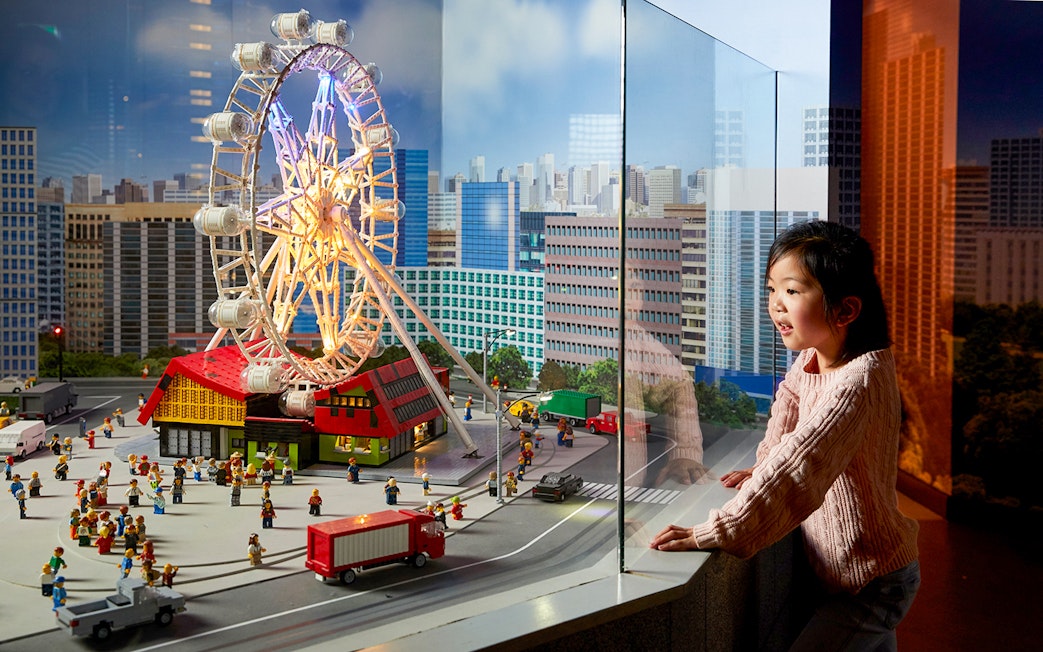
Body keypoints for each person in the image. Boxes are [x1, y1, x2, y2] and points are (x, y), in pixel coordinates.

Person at [649, 221, 920, 651]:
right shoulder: (817, 355)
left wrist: (721, 530)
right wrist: (761, 466)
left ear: (845, 310)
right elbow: (787, 414)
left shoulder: (858, 381)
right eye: (772, 289)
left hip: (871, 580)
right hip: (849, 572)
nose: (775, 306)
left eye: (792, 292)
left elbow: (800, 466)